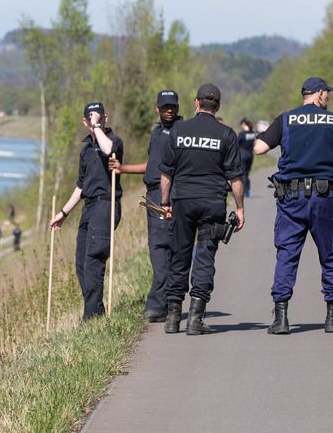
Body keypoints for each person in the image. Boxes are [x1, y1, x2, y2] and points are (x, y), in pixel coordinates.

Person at [253, 77, 333, 334]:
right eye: (328, 94)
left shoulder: (286, 119)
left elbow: (259, 148)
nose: (329, 99)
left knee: (287, 255)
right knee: (331, 255)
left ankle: (281, 318)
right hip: (325, 199)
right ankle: (332, 318)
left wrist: (263, 135)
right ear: (320, 94)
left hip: (292, 199)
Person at [160, 84, 245, 335]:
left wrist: (165, 203)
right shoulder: (227, 135)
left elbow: (166, 173)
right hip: (212, 203)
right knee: (205, 257)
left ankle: (173, 317)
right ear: (217, 106)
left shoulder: (178, 131)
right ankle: (195, 319)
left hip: (183, 201)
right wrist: (240, 208)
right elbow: (236, 178)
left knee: (179, 256)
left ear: (196, 104)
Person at [109, 89, 182, 322]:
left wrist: (166, 199)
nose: (169, 110)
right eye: (165, 107)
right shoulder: (157, 133)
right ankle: (169, 302)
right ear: (157, 109)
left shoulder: (181, 132)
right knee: (158, 248)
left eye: (173, 106)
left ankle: (159, 304)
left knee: (163, 247)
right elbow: (152, 165)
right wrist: (123, 169)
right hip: (152, 195)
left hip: (167, 195)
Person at [50, 101, 124, 320]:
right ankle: (96, 311)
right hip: (89, 206)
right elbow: (81, 187)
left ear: (105, 119)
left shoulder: (114, 141)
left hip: (106, 204)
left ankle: (90, 318)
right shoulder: (85, 151)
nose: (94, 121)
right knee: (82, 262)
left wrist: (98, 127)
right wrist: (63, 213)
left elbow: (108, 150)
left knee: (94, 259)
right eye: (91, 118)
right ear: (84, 122)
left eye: (99, 117)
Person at [237, 118, 257, 197]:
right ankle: (248, 191)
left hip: (243, 156)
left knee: (243, 174)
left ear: (243, 124)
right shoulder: (252, 133)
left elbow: (236, 144)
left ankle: (244, 191)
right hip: (250, 155)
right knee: (247, 174)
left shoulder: (242, 134)